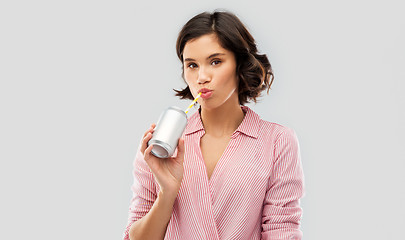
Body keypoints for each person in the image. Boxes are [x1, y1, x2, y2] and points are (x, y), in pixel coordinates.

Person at [124, 10, 305, 240]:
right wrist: (167, 193)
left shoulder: (277, 141)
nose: (201, 77)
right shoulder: (160, 145)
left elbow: (281, 230)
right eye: (192, 65)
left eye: (215, 61)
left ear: (240, 64)